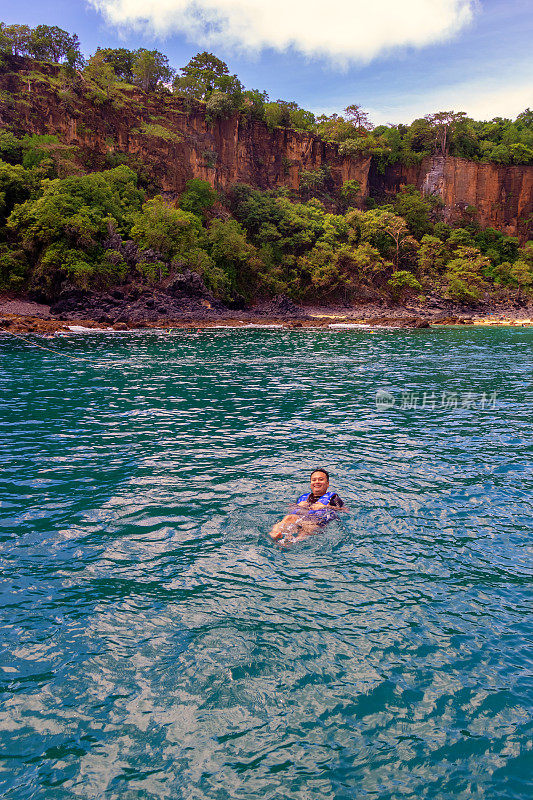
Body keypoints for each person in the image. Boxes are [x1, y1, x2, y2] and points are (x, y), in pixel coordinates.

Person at [270, 468, 344, 544]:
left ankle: (293, 542)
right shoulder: (304, 498)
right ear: (311, 483)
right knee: (289, 517)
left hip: (316, 522)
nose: (317, 482)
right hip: (302, 518)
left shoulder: (333, 498)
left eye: (321, 479)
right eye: (314, 480)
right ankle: (275, 533)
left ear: (327, 483)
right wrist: (297, 506)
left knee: (308, 527)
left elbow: (345, 510)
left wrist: (326, 507)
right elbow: (290, 508)